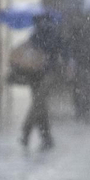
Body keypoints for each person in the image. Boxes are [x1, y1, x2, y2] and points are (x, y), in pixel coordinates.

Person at [20, 12, 67, 151]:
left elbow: (61, 50)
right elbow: (63, 51)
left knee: (38, 103)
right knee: (40, 105)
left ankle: (28, 131)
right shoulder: (43, 34)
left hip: (39, 74)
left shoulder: (40, 35)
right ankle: (45, 136)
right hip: (41, 73)